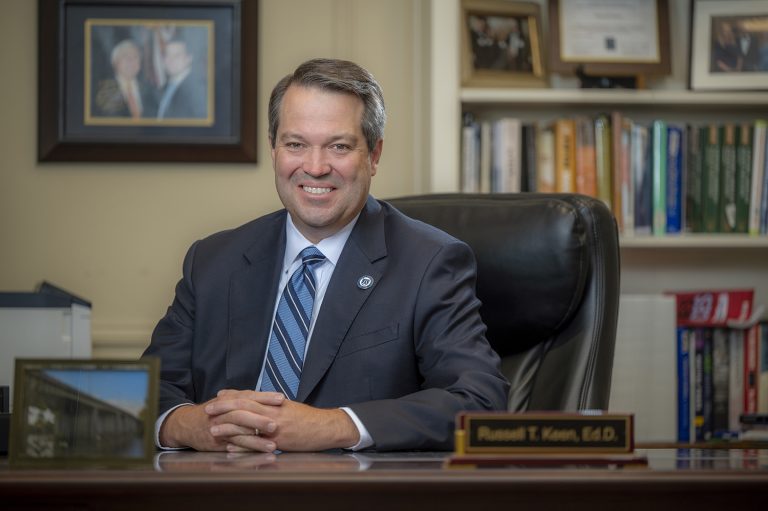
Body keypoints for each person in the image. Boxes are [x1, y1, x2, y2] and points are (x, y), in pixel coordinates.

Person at [142, 58, 510, 453]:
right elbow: (146, 393)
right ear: (274, 150)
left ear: (373, 155)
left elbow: (480, 401)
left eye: (339, 146)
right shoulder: (213, 260)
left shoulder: (430, 262)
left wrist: (335, 425)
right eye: (295, 144)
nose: (314, 168)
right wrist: (188, 426)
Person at [93, 39, 157, 118]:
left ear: (140, 63)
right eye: (125, 57)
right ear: (115, 62)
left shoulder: (149, 88)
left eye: (135, 57)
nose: (131, 61)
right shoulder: (105, 89)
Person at [156, 39, 207, 119]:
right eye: (167, 55)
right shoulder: (162, 89)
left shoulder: (200, 90)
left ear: (189, 58)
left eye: (176, 55)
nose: (170, 60)